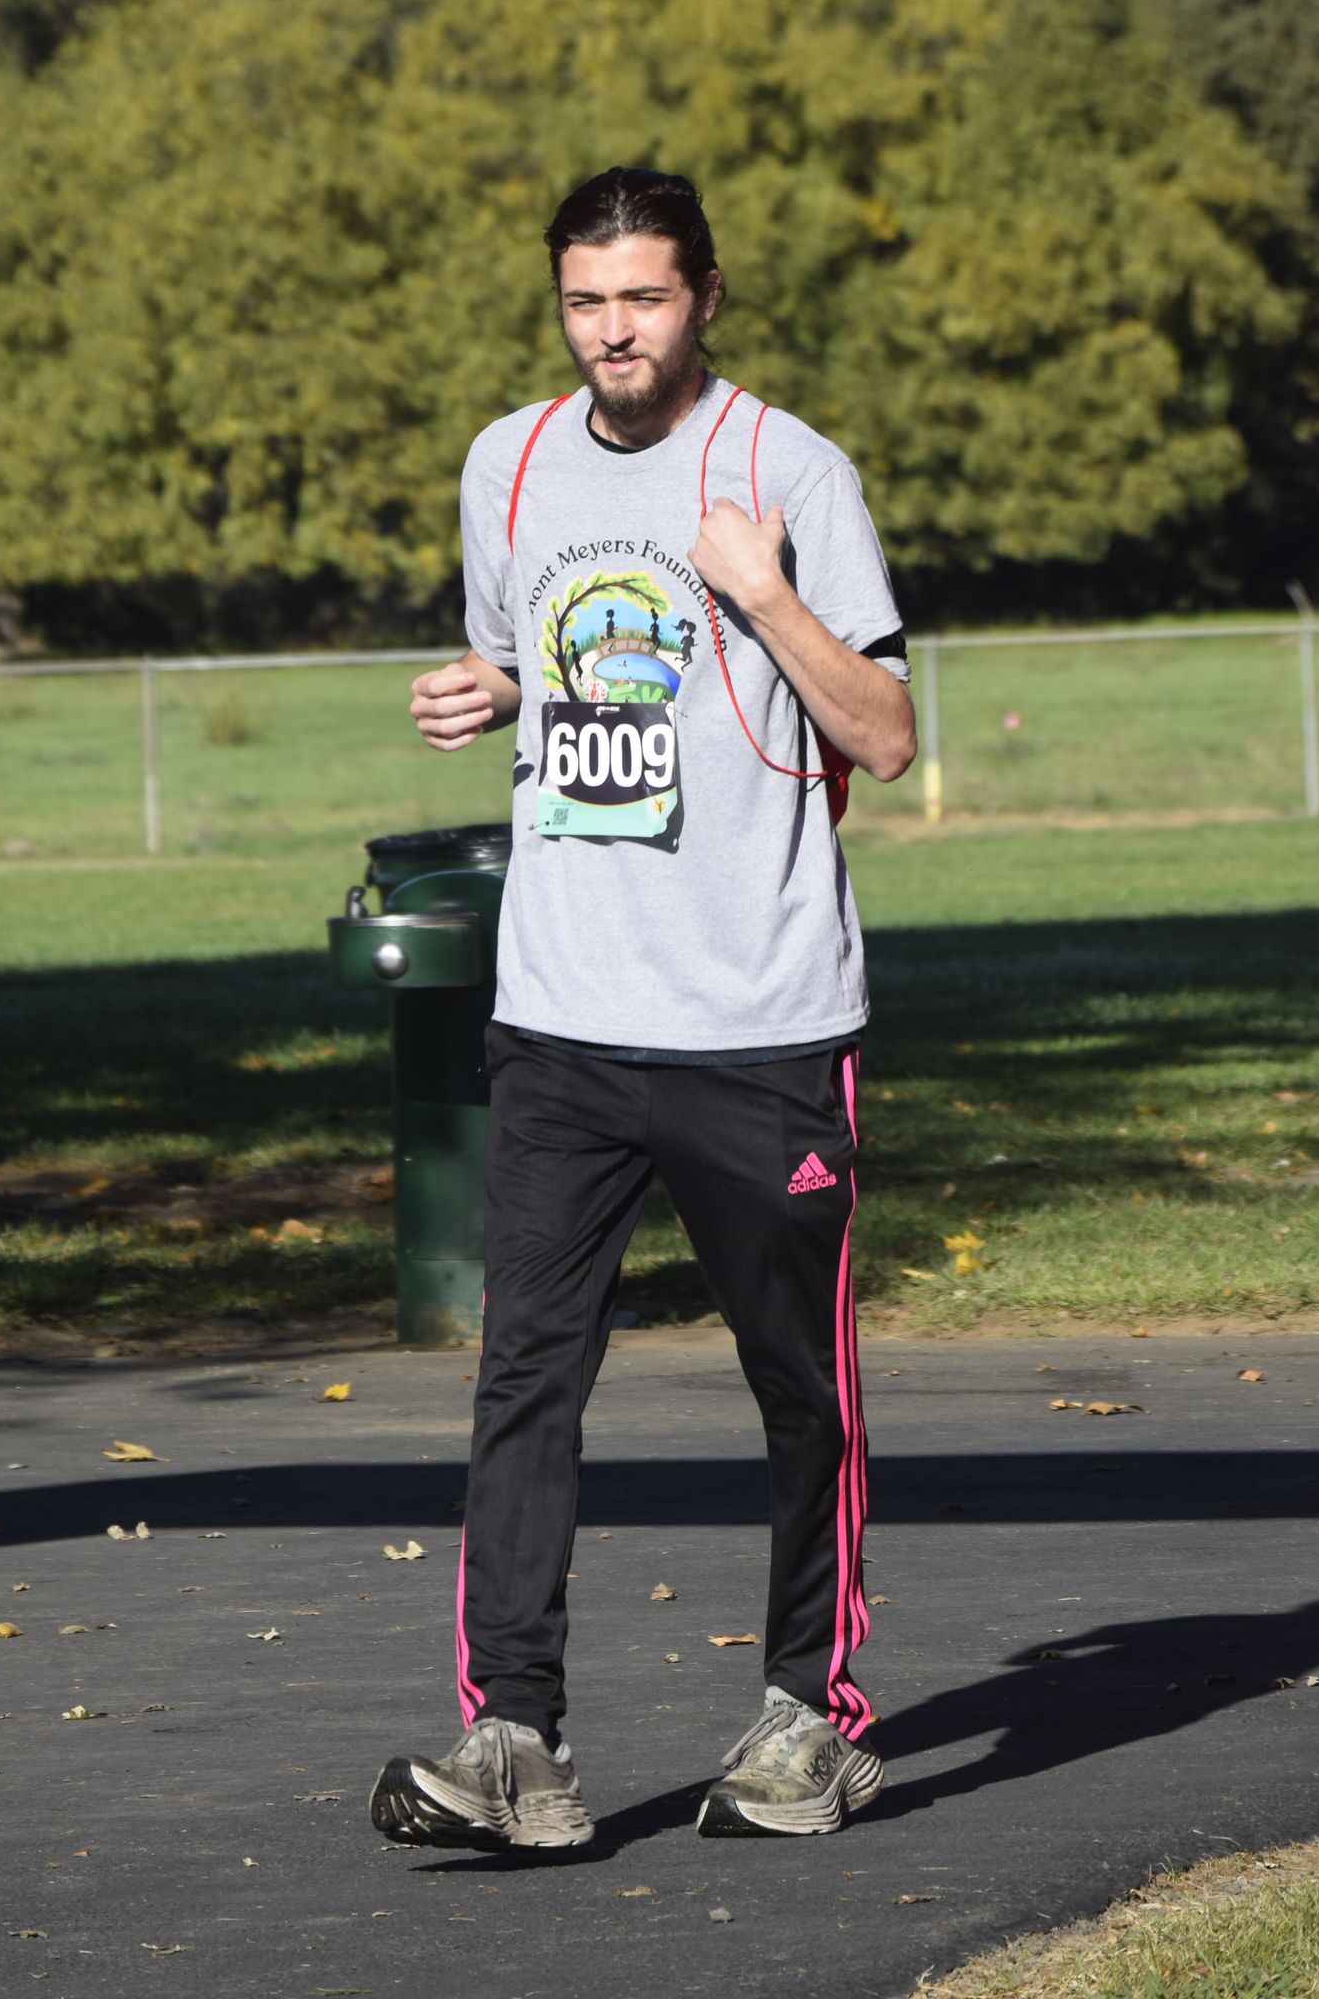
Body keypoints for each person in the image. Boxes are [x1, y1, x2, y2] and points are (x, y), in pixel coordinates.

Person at [368, 166, 915, 1852]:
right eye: (587, 303)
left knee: (796, 1388)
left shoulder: (786, 469)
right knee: (524, 1376)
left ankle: (809, 1718)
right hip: (563, 1015)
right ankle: (509, 1744)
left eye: (647, 299)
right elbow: (570, 666)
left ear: (707, 297)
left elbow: (884, 734)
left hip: (757, 1022)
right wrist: (499, 687)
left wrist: (762, 591)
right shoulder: (506, 464)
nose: (616, 332)